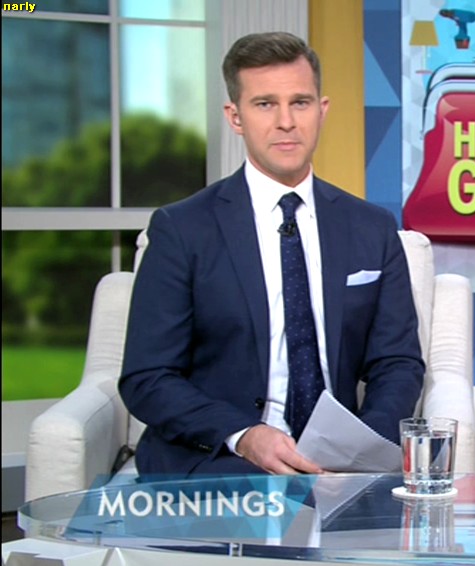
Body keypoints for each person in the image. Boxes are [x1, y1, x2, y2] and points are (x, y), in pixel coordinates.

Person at [119, 32, 424, 477]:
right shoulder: (182, 229)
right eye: (265, 104)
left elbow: (397, 362)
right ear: (235, 117)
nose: (286, 122)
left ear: (321, 110)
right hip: (221, 458)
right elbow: (147, 377)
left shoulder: (371, 227)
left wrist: (364, 448)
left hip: (338, 465)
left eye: (300, 103)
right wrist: (244, 435)